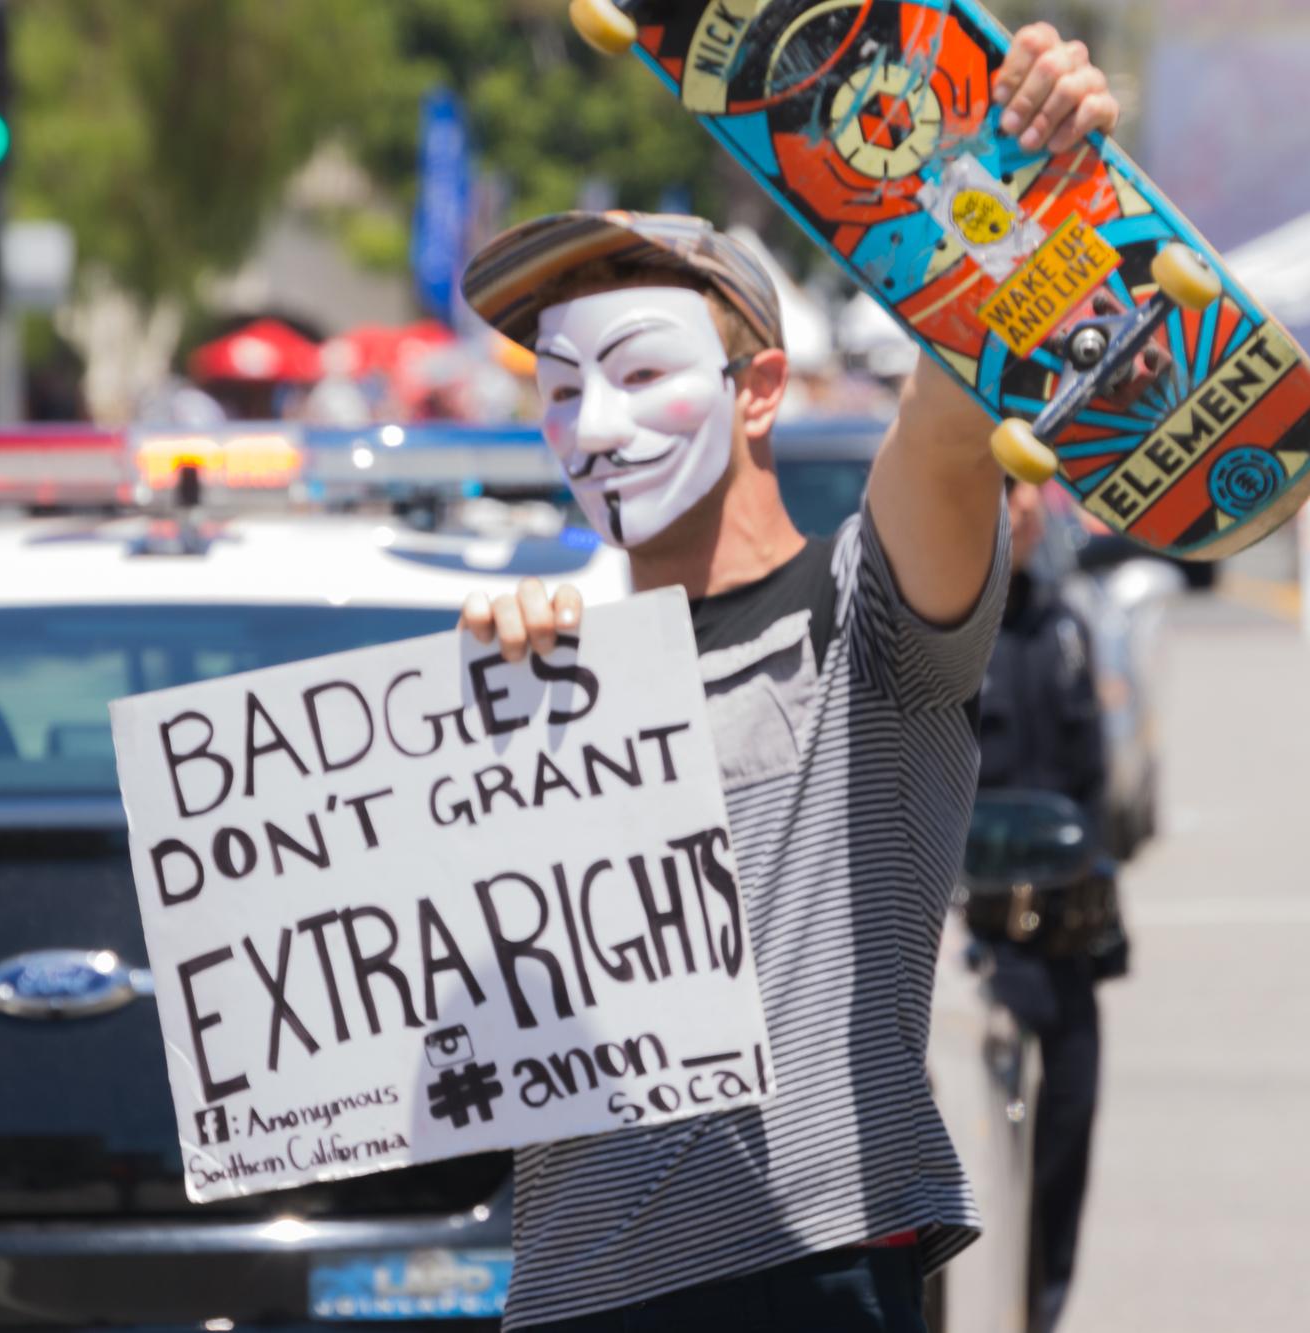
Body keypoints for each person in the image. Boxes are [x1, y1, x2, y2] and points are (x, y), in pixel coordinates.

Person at [450, 24, 1119, 1333]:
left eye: (640, 370)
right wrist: (479, 741)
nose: (594, 423)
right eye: (560, 384)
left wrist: (1019, 187)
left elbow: (940, 427)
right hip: (564, 1294)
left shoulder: (860, 621)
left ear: (755, 390)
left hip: (808, 1280)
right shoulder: (539, 673)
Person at [978, 478, 1121, 1333]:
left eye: (1030, 486)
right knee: (979, 1177)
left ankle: (1038, 1317)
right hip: (970, 949)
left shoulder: (1061, 621)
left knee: (1060, 1157)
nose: (1022, 504)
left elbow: (1093, 788)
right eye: (1000, 484)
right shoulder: (931, 628)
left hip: (1063, 947)